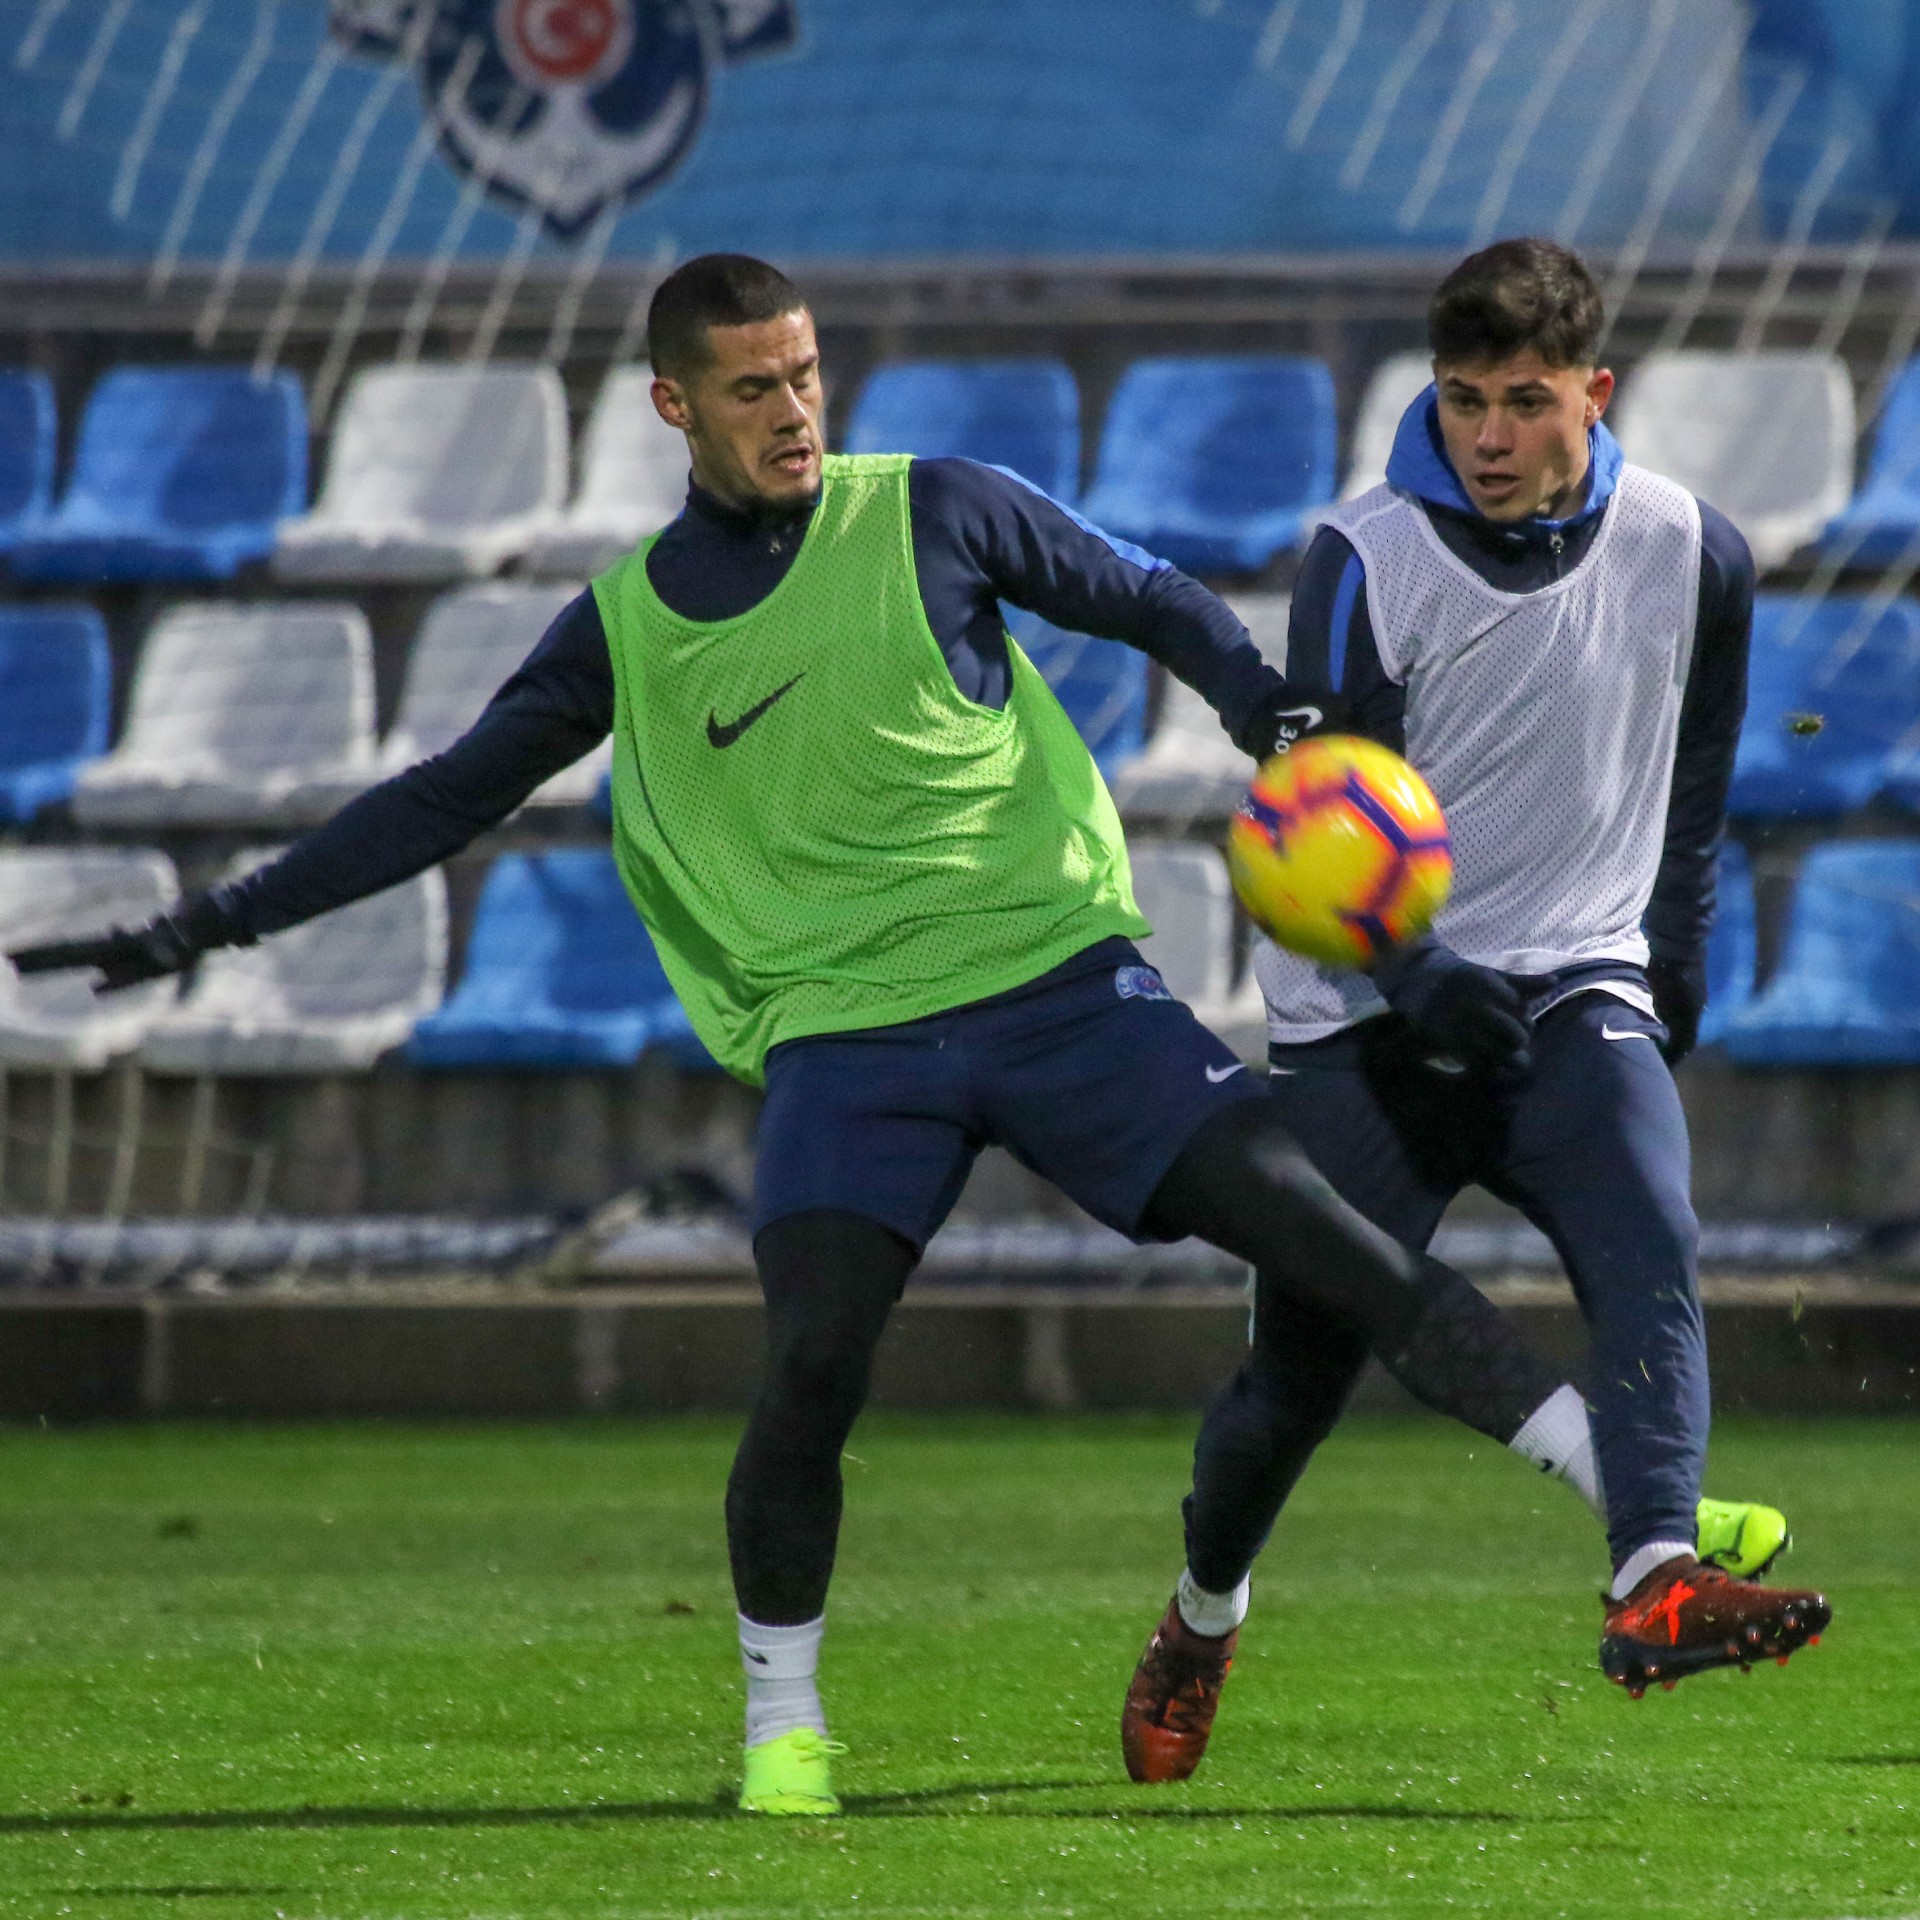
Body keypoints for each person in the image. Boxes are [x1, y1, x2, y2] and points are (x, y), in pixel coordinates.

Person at [12, 255, 1740, 1819]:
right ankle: (785, 1727)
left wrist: (1267, 716)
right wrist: (206, 923)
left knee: (1327, 1238)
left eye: (807, 376)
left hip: (1062, 989)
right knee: (815, 1364)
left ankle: (1642, 1530)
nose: (793, 412)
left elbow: (1150, 599)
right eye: (752, 388)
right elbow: (439, 797)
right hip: (848, 1041)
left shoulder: (937, 507)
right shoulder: (624, 625)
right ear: (674, 405)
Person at [1126, 238, 1828, 1784]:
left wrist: (1676, 949)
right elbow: (1317, 816)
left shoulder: (1694, 548)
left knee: (1650, 1227)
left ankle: (1655, 1577)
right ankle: (1203, 1611)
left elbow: (1698, 773)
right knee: (1289, 1389)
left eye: (1524, 401)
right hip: (1364, 1027)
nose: (1490, 437)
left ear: (1597, 391)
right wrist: (1413, 973)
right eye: (1462, 401)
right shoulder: (1363, 558)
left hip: (1576, 984)